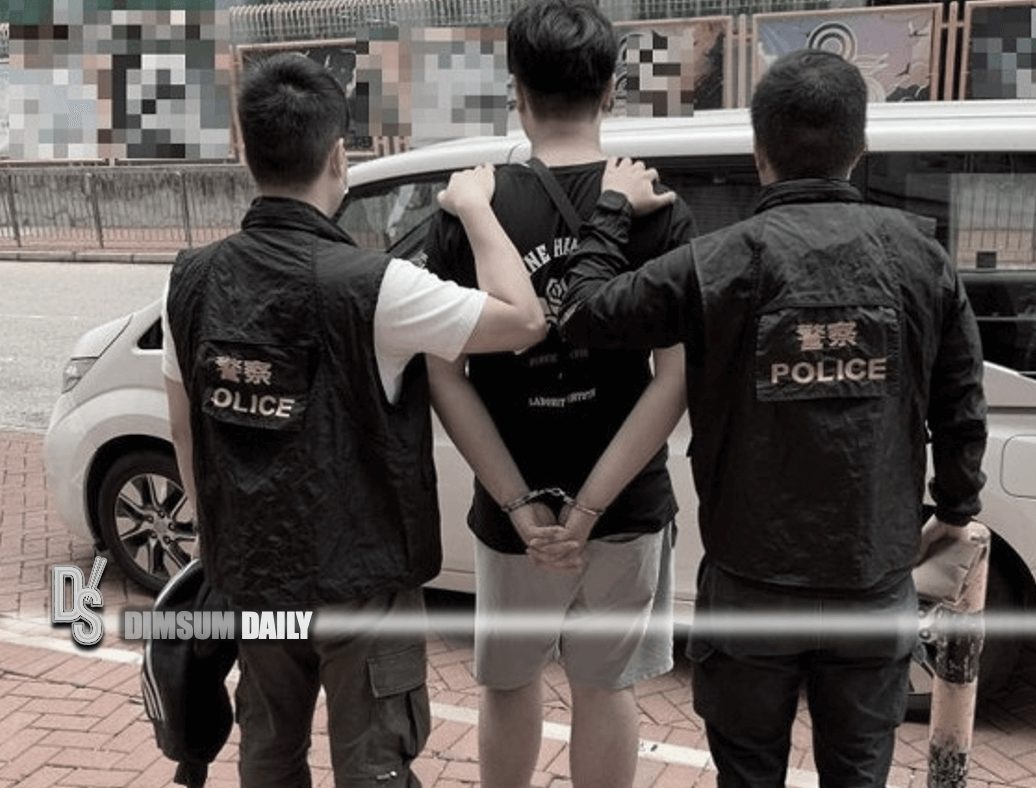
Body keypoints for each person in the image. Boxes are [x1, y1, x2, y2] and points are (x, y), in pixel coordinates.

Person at [555, 50, 988, 787]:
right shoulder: (922, 258)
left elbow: (582, 312)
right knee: (859, 774)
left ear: (760, 152)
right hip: (872, 579)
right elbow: (960, 401)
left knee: (747, 774)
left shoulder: (714, 263)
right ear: (859, 148)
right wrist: (954, 507)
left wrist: (613, 208)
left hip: (748, 585)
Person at [162, 53, 546, 787]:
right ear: (339, 156)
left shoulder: (190, 278)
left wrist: (224, 545)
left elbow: (186, 431)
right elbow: (524, 319)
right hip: (365, 584)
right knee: (374, 765)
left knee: (268, 753)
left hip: (255, 579)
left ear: (244, 153)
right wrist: (475, 209)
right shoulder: (379, 288)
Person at [420, 2, 695, 786]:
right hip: (627, 504)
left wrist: (522, 508)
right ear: (611, 89)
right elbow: (675, 378)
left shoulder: (468, 207)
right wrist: (589, 511)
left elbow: (444, 374)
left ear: (516, 90)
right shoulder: (656, 208)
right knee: (606, 686)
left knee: (509, 685)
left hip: (517, 509)